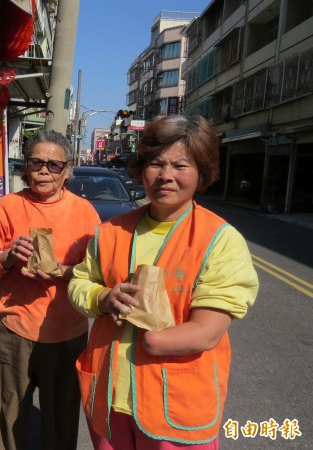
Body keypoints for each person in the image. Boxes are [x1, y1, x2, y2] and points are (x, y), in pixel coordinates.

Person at [68, 115, 259, 450]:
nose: (166, 175)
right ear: (142, 169)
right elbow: (79, 284)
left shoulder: (219, 240)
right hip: (110, 401)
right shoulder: (109, 232)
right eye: (156, 163)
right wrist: (102, 298)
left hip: (175, 409)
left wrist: (154, 340)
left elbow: (208, 330)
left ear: (202, 174)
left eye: (181, 165)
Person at [0, 130, 101, 450]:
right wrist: (6, 257)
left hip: (65, 332)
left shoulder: (84, 212)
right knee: (6, 417)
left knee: (60, 421)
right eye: (36, 162)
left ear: (67, 170)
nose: (44, 170)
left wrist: (62, 272)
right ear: (26, 167)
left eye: (53, 165)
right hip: (12, 327)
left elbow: (98, 274)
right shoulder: (7, 206)